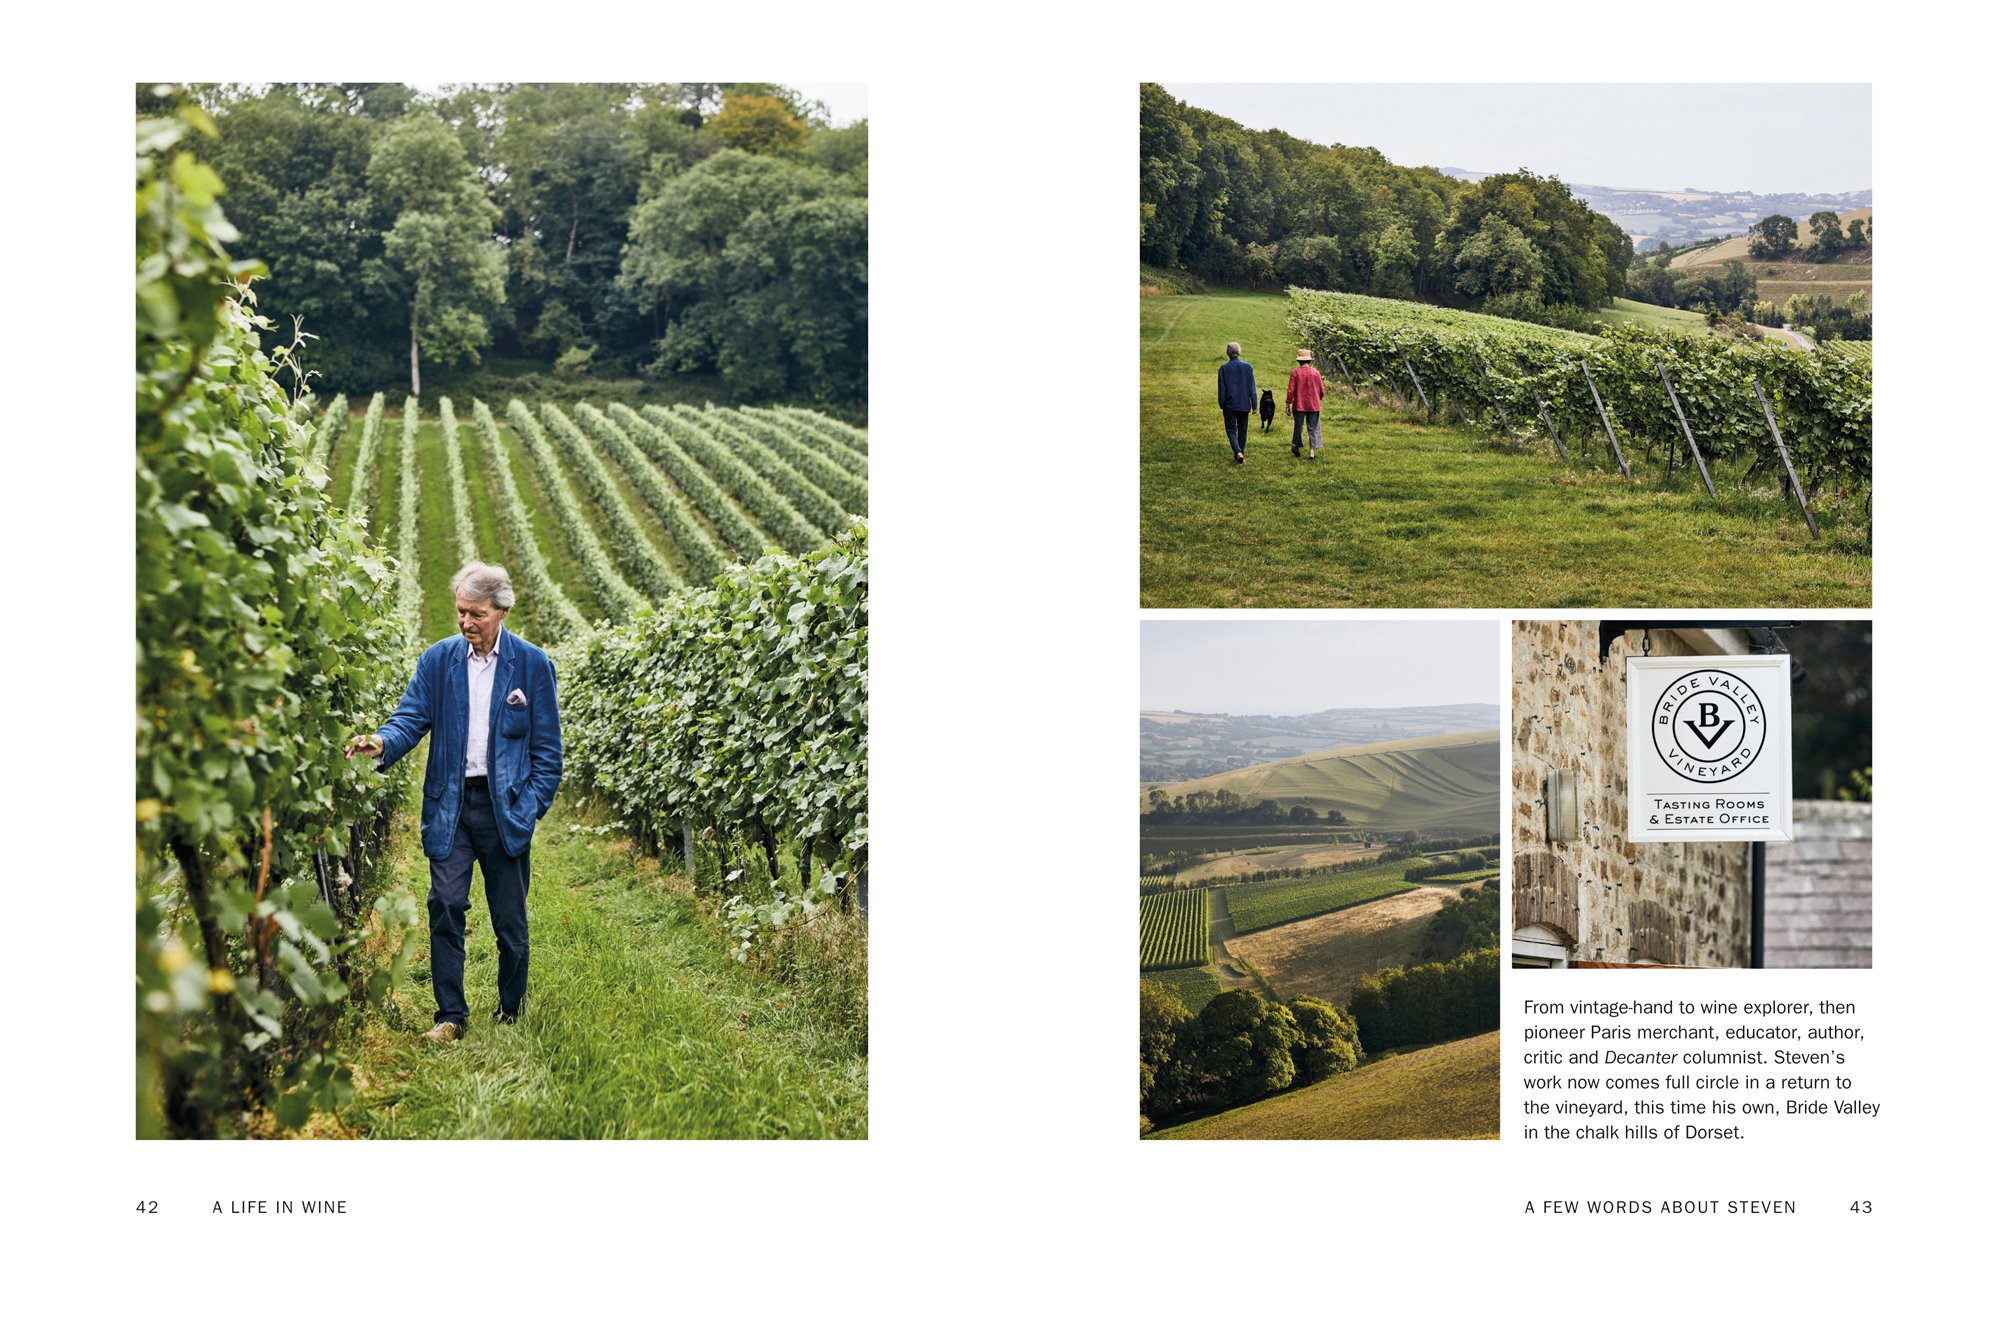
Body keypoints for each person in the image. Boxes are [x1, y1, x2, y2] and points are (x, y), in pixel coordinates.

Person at [344, 562, 564, 1043]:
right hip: (452, 805)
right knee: (445, 904)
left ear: (501, 611)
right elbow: (410, 718)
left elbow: (549, 756)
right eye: (460, 612)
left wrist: (528, 809)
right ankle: (450, 1017)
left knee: (509, 918)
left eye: (476, 614)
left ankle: (511, 1010)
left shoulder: (531, 665)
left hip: (506, 809)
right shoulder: (439, 661)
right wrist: (381, 743)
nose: (465, 623)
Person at [1217, 341, 1258, 464]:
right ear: (1239, 352)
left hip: (1230, 404)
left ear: (1227, 353)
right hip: (1244, 404)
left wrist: (1222, 403)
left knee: (1231, 430)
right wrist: (1254, 404)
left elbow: (1222, 388)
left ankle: (1238, 451)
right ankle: (1241, 453)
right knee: (1242, 429)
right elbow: (1252, 388)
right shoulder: (1248, 367)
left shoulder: (1223, 369)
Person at [1286, 349, 1326, 460]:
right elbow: (1321, 390)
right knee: (1313, 427)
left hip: (1299, 404)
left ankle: (1297, 446)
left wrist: (1288, 403)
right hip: (1314, 404)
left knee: (1298, 426)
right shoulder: (1316, 373)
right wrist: (1319, 398)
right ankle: (1312, 452)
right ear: (1309, 360)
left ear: (1299, 361)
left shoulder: (1295, 372)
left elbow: (1291, 390)